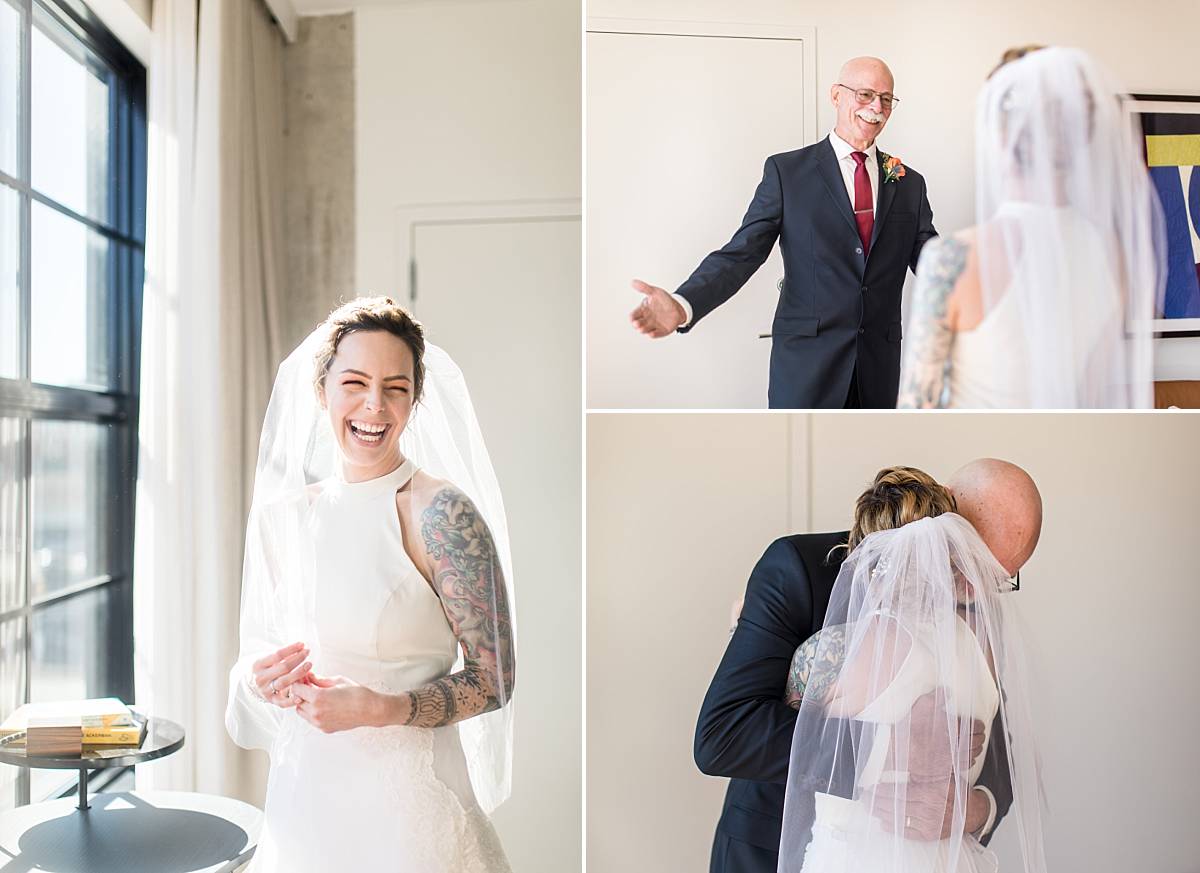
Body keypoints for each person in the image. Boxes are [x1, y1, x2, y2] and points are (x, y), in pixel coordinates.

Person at [225, 298, 515, 872]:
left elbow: (496, 679)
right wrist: (263, 679)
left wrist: (382, 708)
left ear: (415, 398)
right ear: (322, 390)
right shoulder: (282, 519)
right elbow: (256, 657)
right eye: (354, 382)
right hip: (306, 803)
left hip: (411, 819)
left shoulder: (442, 516)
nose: (373, 406)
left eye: (395, 388)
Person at [696, 461, 1041, 873]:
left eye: (997, 577)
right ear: (942, 507)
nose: (973, 589)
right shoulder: (798, 568)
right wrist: (888, 747)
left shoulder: (980, 612)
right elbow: (725, 734)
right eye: (967, 561)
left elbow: (1000, 757)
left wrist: (974, 809)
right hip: (770, 851)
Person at [630, 56, 937, 408]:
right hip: (806, 367)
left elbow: (935, 263)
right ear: (837, 96)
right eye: (865, 94)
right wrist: (684, 305)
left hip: (878, 371)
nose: (876, 108)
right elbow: (742, 253)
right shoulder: (787, 172)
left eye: (886, 98)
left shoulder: (909, 183)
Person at [897, 45, 1165, 408]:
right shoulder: (1113, 254)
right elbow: (1098, 393)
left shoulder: (952, 258)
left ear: (999, 136)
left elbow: (917, 407)